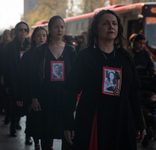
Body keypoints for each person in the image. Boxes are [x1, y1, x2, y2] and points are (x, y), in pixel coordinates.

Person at [63, 10, 145, 150]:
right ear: (95, 29)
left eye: (114, 23)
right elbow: (70, 91)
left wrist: (140, 123)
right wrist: (68, 123)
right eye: (105, 23)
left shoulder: (126, 58)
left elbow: (133, 92)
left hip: (121, 121)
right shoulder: (85, 56)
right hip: (93, 122)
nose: (111, 26)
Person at [29, 15, 76, 150]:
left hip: (65, 98)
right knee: (46, 133)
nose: (59, 30)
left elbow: (75, 76)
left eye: (62, 27)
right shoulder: (40, 50)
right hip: (46, 97)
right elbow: (33, 75)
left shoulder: (70, 50)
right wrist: (34, 97)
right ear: (50, 29)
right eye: (56, 27)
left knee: (67, 133)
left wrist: (77, 98)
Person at [18, 26, 47, 150]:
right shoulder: (28, 54)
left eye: (44, 35)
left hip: (45, 91)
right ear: (33, 38)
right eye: (39, 35)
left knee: (44, 117)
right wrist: (20, 95)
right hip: (30, 90)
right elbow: (23, 75)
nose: (41, 38)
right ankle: (33, 139)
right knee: (32, 116)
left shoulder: (50, 52)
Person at [3, 22, 31, 144]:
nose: (23, 32)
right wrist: (6, 82)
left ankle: (28, 135)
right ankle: (12, 126)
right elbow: (6, 66)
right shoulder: (9, 47)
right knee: (14, 106)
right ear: (16, 31)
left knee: (29, 109)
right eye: (21, 30)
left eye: (25, 30)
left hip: (28, 81)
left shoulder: (30, 45)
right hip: (14, 80)